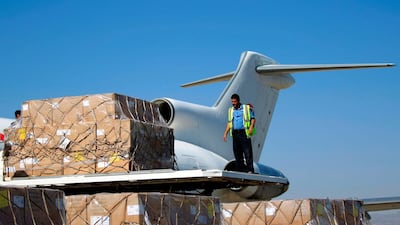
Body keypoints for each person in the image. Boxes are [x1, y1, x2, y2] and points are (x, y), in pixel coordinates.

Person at [223, 94, 256, 173]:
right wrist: (225, 133)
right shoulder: (231, 110)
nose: (233, 103)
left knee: (247, 152)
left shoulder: (246, 108)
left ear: (238, 101)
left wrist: (251, 127)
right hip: (235, 133)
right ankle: (241, 169)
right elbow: (230, 122)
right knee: (237, 153)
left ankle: (250, 169)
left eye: (234, 101)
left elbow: (253, 119)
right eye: (232, 102)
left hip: (244, 132)